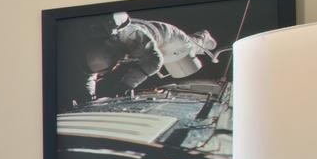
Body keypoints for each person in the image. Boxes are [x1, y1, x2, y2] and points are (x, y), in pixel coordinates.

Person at [83, 12, 223, 100]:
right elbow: (91, 72)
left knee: (185, 68)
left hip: (171, 42)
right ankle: (196, 40)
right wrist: (89, 96)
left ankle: (202, 38)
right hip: (154, 40)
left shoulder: (133, 37)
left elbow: (155, 61)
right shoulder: (97, 46)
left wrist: (126, 84)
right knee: (174, 62)